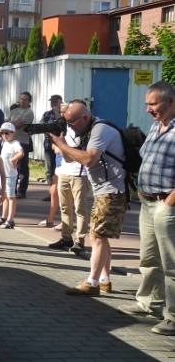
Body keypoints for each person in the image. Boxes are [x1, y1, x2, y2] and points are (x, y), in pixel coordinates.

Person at [50, 100, 127, 296]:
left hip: (112, 191)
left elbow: (88, 159)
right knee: (102, 237)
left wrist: (61, 144)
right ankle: (104, 280)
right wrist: (63, 144)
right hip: (104, 190)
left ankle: (92, 282)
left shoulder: (100, 129)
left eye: (71, 121)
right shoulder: (88, 129)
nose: (68, 125)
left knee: (97, 237)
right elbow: (71, 158)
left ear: (84, 117)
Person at [118, 81, 175, 335]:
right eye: (147, 105)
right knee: (149, 258)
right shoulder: (155, 127)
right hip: (149, 201)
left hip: (167, 204)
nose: (149, 109)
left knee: (171, 261)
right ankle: (149, 302)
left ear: (171, 101)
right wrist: (141, 188)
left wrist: (171, 198)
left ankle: (173, 316)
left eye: (154, 104)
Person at [48, 102, 90, 256]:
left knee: (80, 209)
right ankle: (66, 238)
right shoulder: (64, 130)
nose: (65, 118)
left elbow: (71, 156)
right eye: (64, 114)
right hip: (64, 172)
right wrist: (58, 145)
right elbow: (55, 149)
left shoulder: (84, 131)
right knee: (65, 207)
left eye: (69, 116)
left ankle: (80, 240)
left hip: (80, 174)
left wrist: (62, 147)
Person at [0, 122, 23, 229]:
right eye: (2, 133)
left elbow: (21, 153)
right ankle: (4, 216)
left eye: (6, 133)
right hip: (3, 174)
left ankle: (10, 219)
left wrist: (13, 159)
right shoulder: (5, 143)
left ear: (13, 133)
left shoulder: (15, 143)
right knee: (5, 196)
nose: (4, 135)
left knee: (11, 197)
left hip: (10, 174)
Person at [8, 91, 35, 198]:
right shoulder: (14, 111)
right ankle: (11, 189)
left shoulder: (29, 112)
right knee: (12, 166)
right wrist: (11, 123)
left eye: (25, 99)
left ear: (29, 102)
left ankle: (22, 191)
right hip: (12, 141)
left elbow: (19, 125)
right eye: (21, 99)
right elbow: (6, 122)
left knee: (22, 167)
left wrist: (11, 123)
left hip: (22, 142)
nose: (22, 101)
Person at [40, 94, 63, 188]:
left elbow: (62, 126)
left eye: (55, 101)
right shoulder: (47, 114)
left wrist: (57, 112)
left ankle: (59, 192)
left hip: (60, 146)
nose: (52, 103)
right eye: (51, 101)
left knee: (60, 169)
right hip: (48, 144)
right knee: (49, 169)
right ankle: (51, 192)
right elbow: (41, 126)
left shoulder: (63, 113)